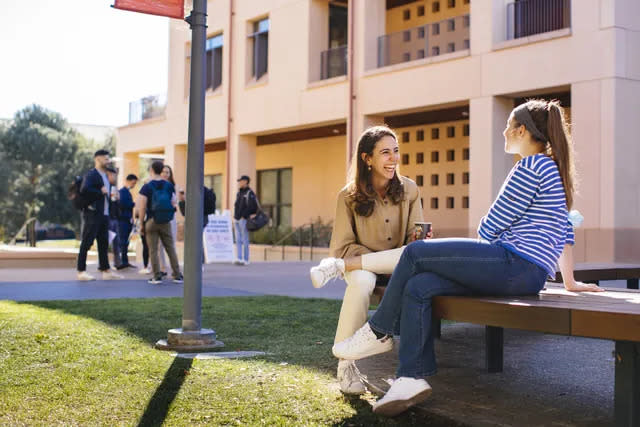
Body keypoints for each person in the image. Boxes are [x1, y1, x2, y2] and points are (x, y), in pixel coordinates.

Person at [332, 100, 604, 417]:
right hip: (526, 271)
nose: (503, 131)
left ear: (521, 130)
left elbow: (489, 227)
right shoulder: (553, 167)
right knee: (420, 285)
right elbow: (564, 228)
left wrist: (494, 238)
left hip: (513, 262)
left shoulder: (531, 166)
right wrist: (568, 281)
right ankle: (410, 378)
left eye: (507, 125)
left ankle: (379, 331)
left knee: (416, 252)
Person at [309, 125, 425, 395]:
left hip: (400, 265)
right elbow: (342, 246)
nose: (393, 158)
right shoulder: (347, 196)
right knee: (361, 282)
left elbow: (415, 240)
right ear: (367, 159)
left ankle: (334, 271)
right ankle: (346, 363)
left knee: (412, 255)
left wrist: (419, 239)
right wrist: (374, 260)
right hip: (360, 265)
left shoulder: (410, 190)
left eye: (395, 151)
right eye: (385, 153)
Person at [76, 149, 123, 281]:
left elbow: (107, 194)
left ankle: (106, 270)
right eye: (105, 158)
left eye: (108, 158)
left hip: (104, 214)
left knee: (103, 243)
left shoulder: (106, 175)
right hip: (93, 214)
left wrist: (114, 196)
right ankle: (81, 271)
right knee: (87, 242)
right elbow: (84, 189)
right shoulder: (92, 174)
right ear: (97, 159)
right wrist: (99, 191)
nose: (108, 161)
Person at [137, 161, 183, 284]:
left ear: (151, 170)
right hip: (165, 221)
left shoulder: (146, 186)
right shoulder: (169, 186)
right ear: (162, 170)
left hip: (151, 220)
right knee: (170, 248)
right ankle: (177, 275)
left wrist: (141, 223)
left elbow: (141, 206)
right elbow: (174, 203)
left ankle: (157, 276)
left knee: (153, 249)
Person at [157, 164, 179, 276]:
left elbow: (176, 203)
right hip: (159, 217)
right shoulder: (156, 185)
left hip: (171, 217)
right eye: (164, 172)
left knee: (171, 243)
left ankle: (175, 269)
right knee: (159, 244)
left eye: (168, 172)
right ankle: (162, 268)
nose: (165, 174)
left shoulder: (173, 186)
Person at [233, 175, 258, 265]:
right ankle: (239, 258)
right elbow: (236, 205)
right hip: (236, 219)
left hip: (243, 219)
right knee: (238, 240)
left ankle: (246, 259)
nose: (240, 183)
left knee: (245, 239)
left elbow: (253, 207)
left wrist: (244, 216)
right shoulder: (239, 193)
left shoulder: (250, 193)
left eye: (241, 181)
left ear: (246, 181)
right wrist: (235, 216)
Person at [117, 173, 138, 269]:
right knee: (123, 241)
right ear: (128, 181)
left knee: (126, 241)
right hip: (122, 220)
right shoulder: (122, 192)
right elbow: (123, 204)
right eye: (133, 183)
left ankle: (125, 261)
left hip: (127, 220)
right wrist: (133, 204)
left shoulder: (127, 192)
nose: (134, 185)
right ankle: (122, 261)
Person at [106, 166, 122, 269]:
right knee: (106, 242)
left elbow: (115, 202)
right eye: (113, 175)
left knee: (117, 242)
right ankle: (103, 264)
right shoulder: (106, 187)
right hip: (108, 218)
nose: (114, 177)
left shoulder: (114, 187)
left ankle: (117, 263)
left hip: (115, 217)